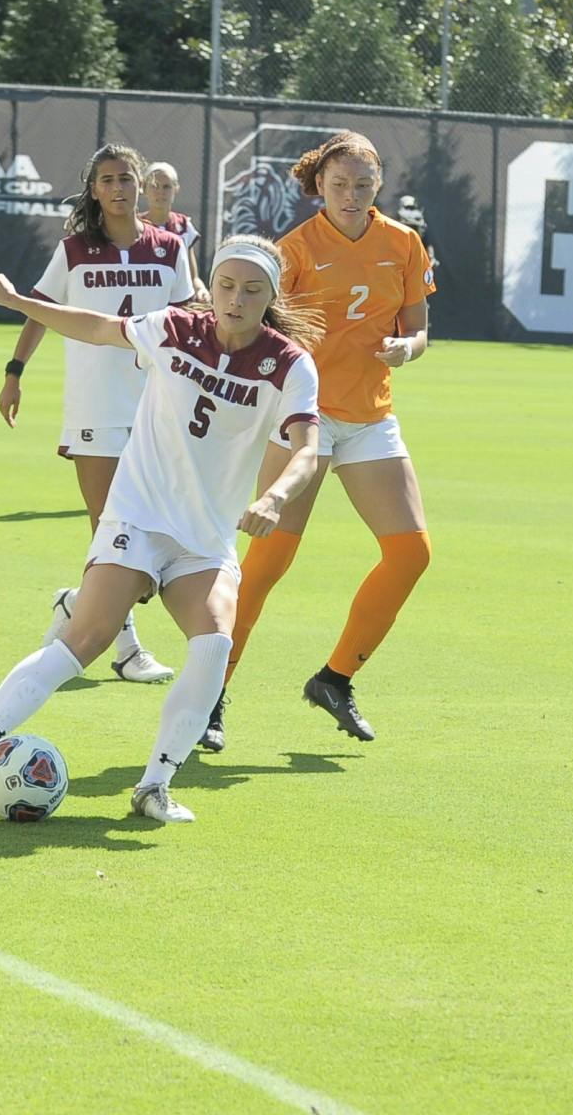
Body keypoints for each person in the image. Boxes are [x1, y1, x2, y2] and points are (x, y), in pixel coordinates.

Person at [0, 237, 326, 824]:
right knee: (84, 641)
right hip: (138, 516)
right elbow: (93, 326)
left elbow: (309, 449)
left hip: (203, 537)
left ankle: (154, 787)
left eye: (251, 290)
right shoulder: (172, 328)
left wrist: (274, 496)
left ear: (272, 296)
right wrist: (21, 303)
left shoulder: (289, 363)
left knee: (215, 643)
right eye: (225, 285)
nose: (235, 299)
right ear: (211, 285)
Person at [205, 130, 435, 752]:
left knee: (411, 553)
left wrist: (404, 350)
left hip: (370, 417)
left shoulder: (404, 243)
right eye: (340, 185)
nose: (352, 196)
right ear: (320, 185)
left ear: (379, 184)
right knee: (268, 561)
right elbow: (255, 324)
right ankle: (210, 695)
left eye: (363, 185)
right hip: (305, 417)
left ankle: (335, 678)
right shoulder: (296, 249)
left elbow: (418, 331)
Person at [0, 144, 194, 683]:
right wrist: (14, 373)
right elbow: (41, 310)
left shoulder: (172, 248)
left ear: (141, 184)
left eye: (126, 178)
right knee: (109, 530)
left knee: (154, 527)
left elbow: (190, 321)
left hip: (158, 408)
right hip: (95, 407)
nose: (118, 188)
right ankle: (127, 648)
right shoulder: (75, 250)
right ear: (93, 190)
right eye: (106, 180)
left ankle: (77, 605)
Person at [142, 161, 205, 300]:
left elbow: (193, 277)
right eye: (154, 186)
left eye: (166, 186)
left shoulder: (184, 226)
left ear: (176, 188)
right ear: (144, 188)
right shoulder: (135, 225)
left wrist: (201, 289)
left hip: (178, 302)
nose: (160, 192)